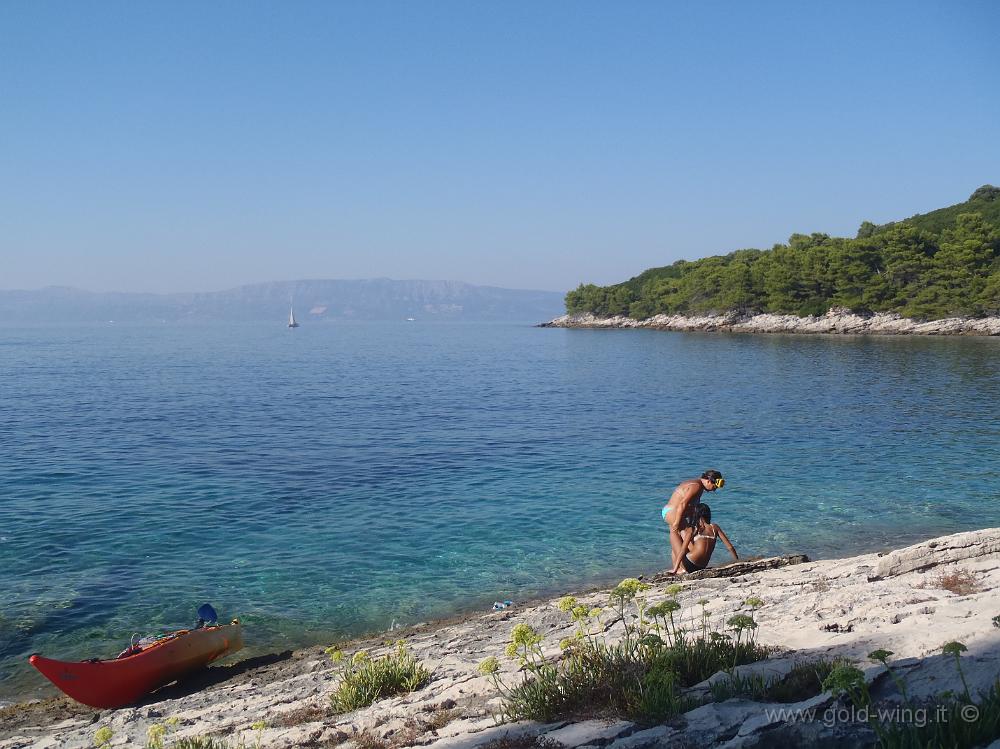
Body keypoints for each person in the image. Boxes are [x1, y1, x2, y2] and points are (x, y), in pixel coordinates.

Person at [662, 470, 725, 573]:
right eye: (715, 487)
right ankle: (683, 567)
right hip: (672, 512)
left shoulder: (698, 486)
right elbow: (682, 504)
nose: (714, 490)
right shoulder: (696, 486)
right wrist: (677, 521)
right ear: (709, 481)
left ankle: (678, 568)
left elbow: (690, 506)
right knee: (686, 535)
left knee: (678, 541)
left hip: (673, 512)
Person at [675, 503, 738, 573]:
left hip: (689, 564)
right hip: (702, 566)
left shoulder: (693, 529)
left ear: (696, 514)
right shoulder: (715, 527)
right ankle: (680, 568)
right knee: (687, 537)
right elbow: (730, 547)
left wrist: (675, 569)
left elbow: (682, 550)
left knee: (678, 532)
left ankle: (678, 568)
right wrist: (737, 561)